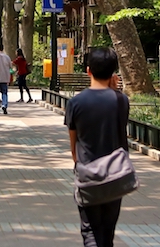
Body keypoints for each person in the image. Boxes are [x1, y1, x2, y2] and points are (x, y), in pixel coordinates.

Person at [64, 47, 129, 247]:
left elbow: (73, 143)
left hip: (88, 173)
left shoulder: (76, 103)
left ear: (88, 70)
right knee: (107, 231)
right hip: (116, 174)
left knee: (90, 230)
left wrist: (77, 162)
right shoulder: (121, 100)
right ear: (113, 73)